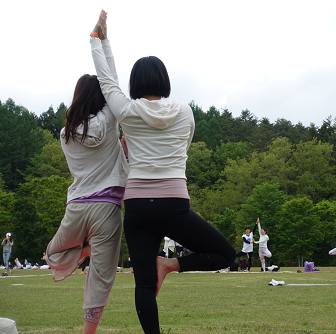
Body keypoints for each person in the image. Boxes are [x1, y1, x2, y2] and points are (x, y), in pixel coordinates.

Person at [90, 11, 235, 334]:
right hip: (173, 204)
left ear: (136, 83)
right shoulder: (185, 112)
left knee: (143, 285)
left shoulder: (126, 110)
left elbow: (106, 80)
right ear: (164, 80)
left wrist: (99, 40)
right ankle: (170, 264)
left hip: (139, 208)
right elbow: (180, 151)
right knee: (226, 254)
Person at [44, 13, 129, 334]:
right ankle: (88, 332)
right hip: (107, 210)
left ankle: (81, 250)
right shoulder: (108, 120)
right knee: (102, 275)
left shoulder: (65, 134)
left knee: (52, 254)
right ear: (100, 98)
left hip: (77, 208)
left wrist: (99, 39)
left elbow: (108, 85)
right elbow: (112, 81)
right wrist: (101, 41)